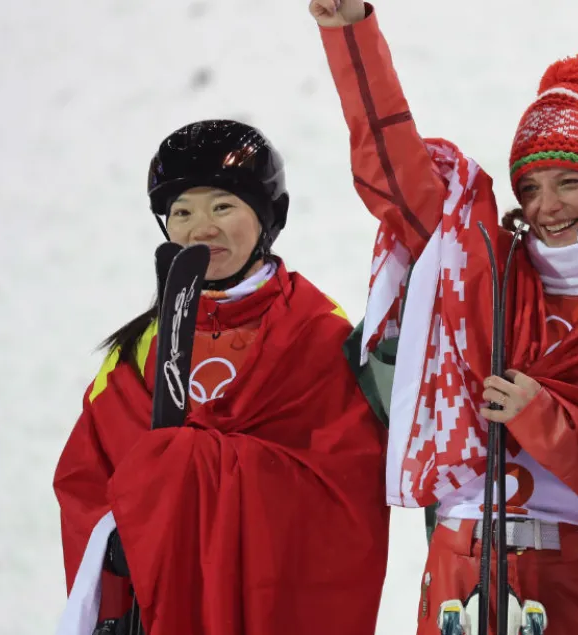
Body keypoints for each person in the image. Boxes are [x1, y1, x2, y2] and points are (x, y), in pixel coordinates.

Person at [308, 2, 578, 633]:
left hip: (575, 577)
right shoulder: (483, 269)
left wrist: (544, 419)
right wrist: (349, 31)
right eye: (530, 187)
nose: (546, 206)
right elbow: (394, 175)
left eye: (568, 181)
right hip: (459, 570)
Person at [52, 119, 390, 635]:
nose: (199, 228)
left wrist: (193, 467)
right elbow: (86, 471)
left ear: (267, 217)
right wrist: (112, 534)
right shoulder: (138, 350)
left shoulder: (318, 333)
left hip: (268, 602)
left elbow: (347, 483)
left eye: (222, 206)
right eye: (181, 212)